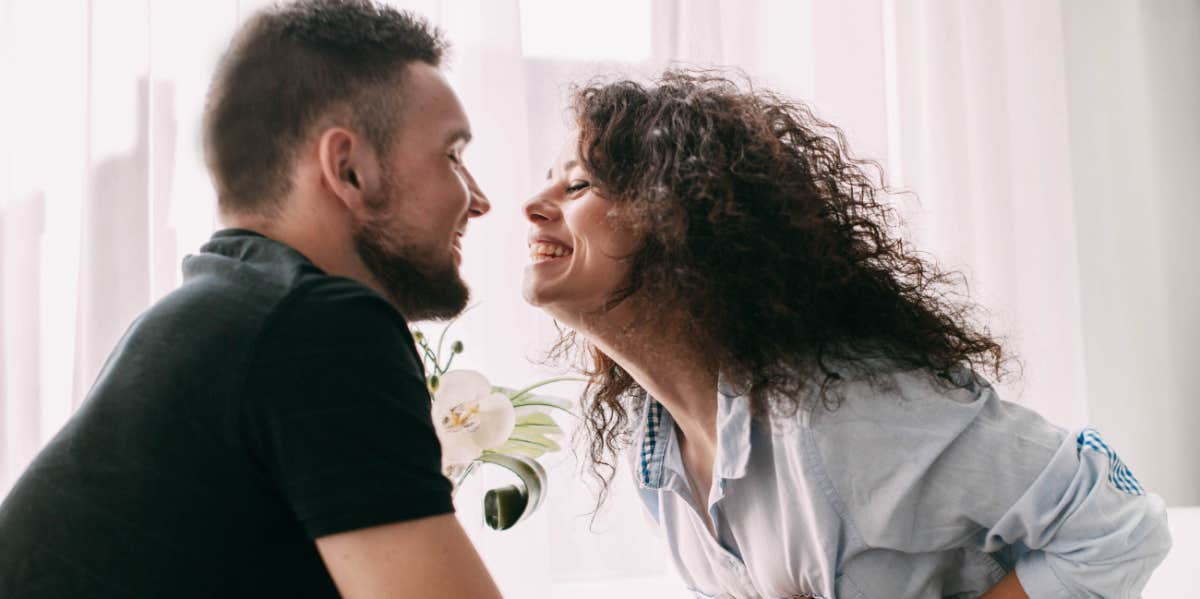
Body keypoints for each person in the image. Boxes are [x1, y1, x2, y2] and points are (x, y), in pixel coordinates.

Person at [521, 69, 1172, 599]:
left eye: (579, 182)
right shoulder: (654, 445)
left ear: (677, 224)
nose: (534, 202)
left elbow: (1116, 526)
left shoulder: (841, 411)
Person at [0, 2, 504, 597]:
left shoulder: (226, 307)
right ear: (348, 169)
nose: (479, 199)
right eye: (452, 155)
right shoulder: (317, 327)